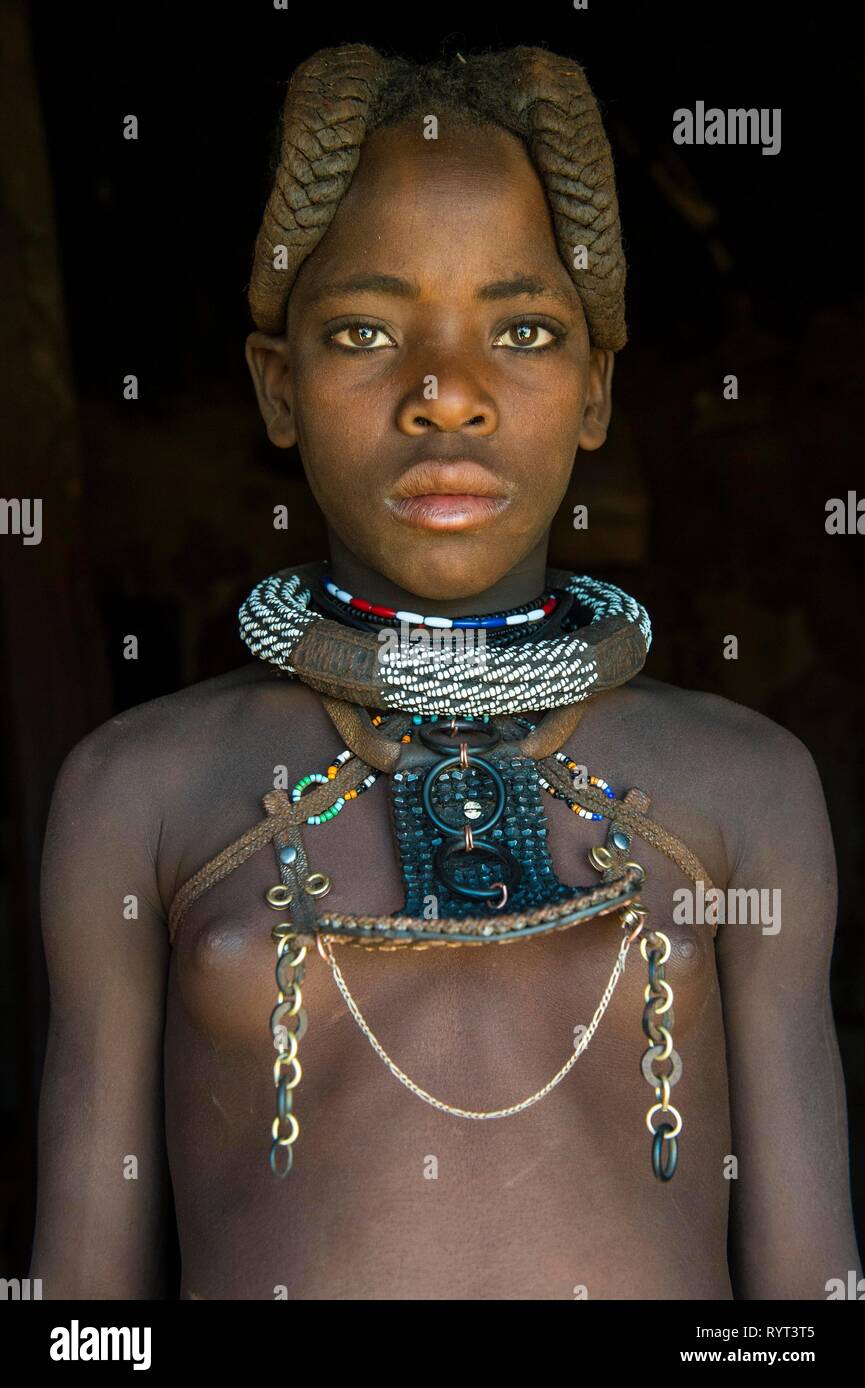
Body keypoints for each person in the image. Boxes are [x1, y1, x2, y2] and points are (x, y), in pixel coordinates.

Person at [30, 43, 861, 1301]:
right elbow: (82, 1315)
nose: (446, 396)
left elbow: (805, 1297)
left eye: (520, 329)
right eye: (367, 329)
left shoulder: (744, 787)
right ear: (278, 386)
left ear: (594, 388)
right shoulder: (135, 791)